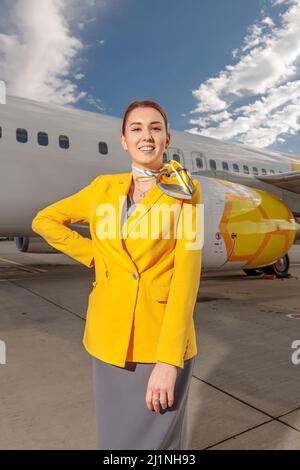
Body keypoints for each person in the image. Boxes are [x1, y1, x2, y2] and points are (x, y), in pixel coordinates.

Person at [31, 99, 202, 450]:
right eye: (136, 129)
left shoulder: (187, 192)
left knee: (159, 446)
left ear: (167, 139)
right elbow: (44, 221)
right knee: (115, 443)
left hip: (160, 342)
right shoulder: (102, 189)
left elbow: (187, 278)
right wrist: (95, 255)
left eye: (155, 128)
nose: (146, 136)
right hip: (107, 341)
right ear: (123, 140)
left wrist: (168, 361)